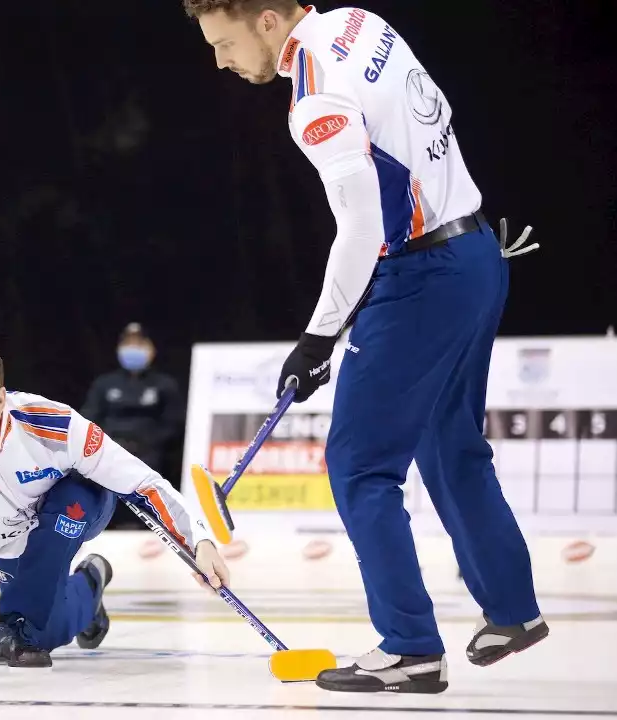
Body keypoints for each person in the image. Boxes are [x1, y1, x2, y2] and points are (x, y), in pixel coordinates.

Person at [182, 1, 544, 694]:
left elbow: (360, 228)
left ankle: (409, 647)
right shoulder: (357, 21)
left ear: (265, 20)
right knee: (449, 444)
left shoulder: (313, 93)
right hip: (474, 253)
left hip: (422, 276)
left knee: (359, 464)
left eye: (225, 43)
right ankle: (512, 609)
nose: (221, 63)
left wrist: (320, 334)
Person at [0, 339, 229, 667]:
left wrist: (197, 541)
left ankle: (14, 620)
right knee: (48, 623)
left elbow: (141, 482)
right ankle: (90, 583)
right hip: (6, 535)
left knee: (28, 626)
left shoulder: (52, 423)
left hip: (80, 503)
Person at [80, 323, 184, 481]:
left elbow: (174, 423)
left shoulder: (164, 385)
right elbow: (88, 417)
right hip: (108, 451)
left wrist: (146, 442)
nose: (133, 348)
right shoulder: (104, 384)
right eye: (128, 344)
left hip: (148, 455)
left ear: (151, 349)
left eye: (139, 344)